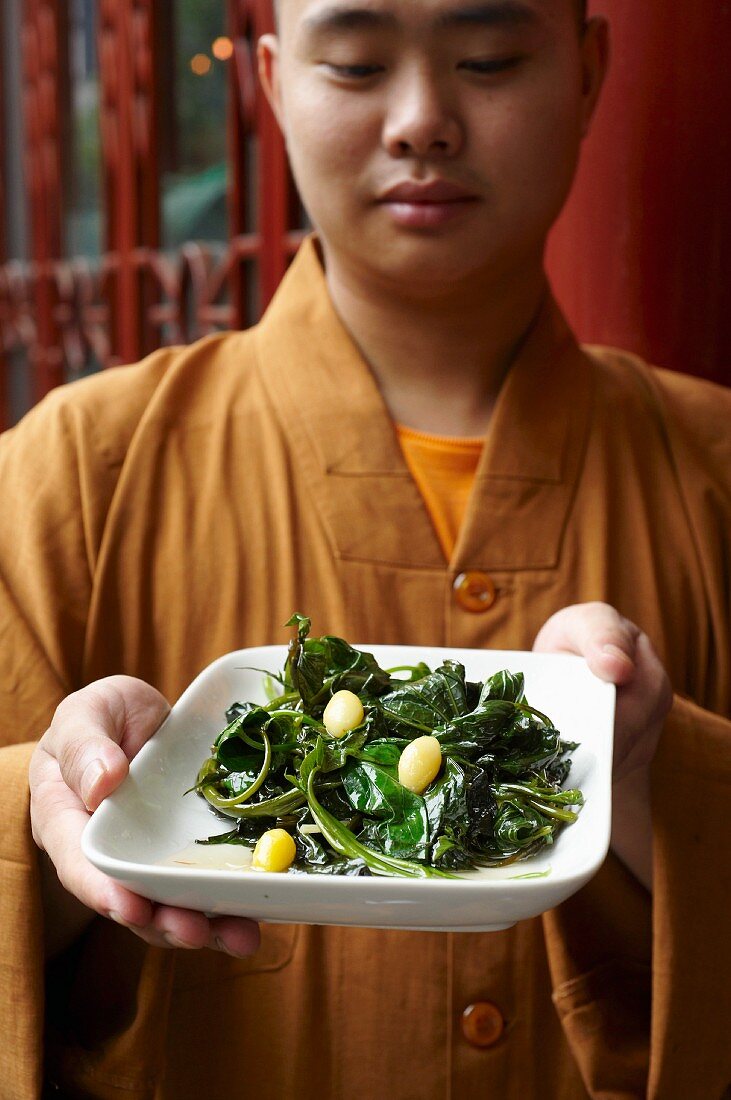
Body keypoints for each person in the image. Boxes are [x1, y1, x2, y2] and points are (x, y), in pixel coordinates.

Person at [0, 0, 729, 1096]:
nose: (421, 120)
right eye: (352, 63)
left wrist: (649, 783)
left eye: (485, 58)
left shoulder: (714, 470)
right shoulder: (71, 475)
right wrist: (56, 820)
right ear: (269, 80)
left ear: (587, 70)